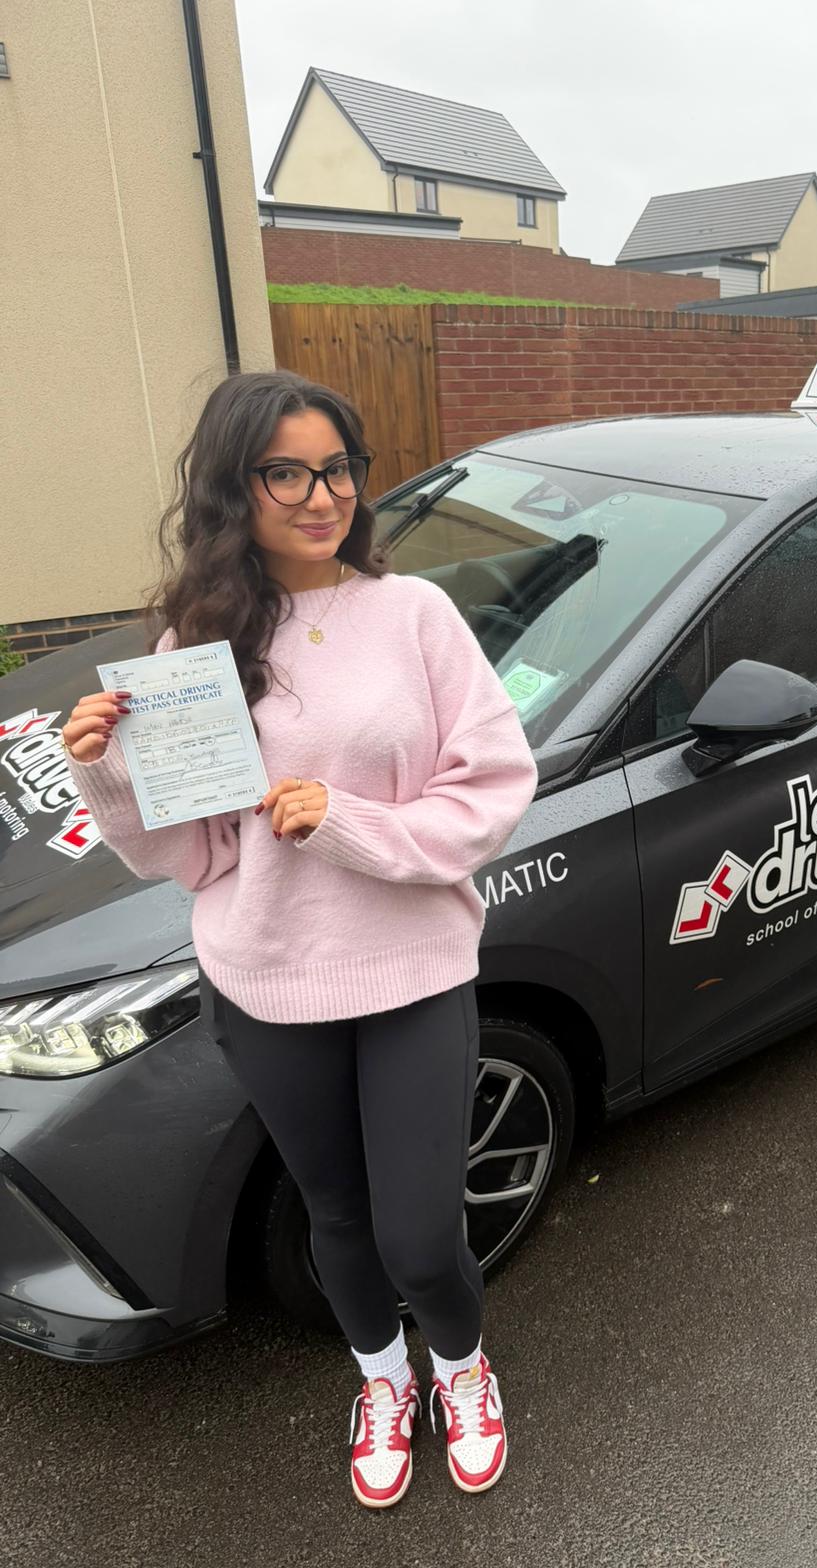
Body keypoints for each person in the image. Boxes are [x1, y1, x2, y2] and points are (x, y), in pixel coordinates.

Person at [62, 370, 538, 1509]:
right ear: (237, 487)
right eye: (287, 472)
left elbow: (494, 787)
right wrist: (106, 770)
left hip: (413, 970)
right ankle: (384, 1381)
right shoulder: (197, 644)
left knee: (420, 1233)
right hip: (268, 978)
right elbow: (194, 855)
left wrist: (350, 823)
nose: (322, 496)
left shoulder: (414, 616)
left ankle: (461, 1368)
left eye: (338, 469)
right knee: (336, 1217)